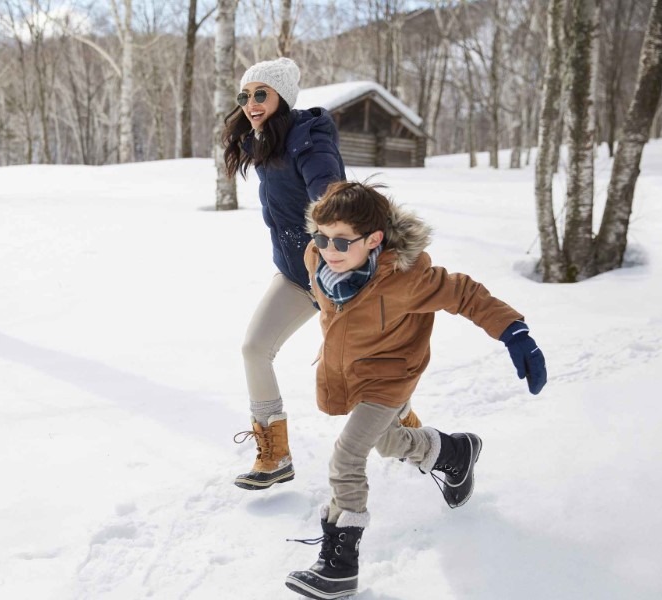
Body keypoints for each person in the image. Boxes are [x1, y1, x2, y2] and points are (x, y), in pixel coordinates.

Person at [282, 180, 548, 600]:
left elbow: (466, 294)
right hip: (354, 369)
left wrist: (514, 333)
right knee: (386, 441)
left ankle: (340, 565)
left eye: (340, 241)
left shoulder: (407, 278)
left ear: (374, 240)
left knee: (348, 454)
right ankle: (454, 453)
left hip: (392, 374)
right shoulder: (317, 257)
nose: (328, 249)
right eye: (321, 236)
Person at [222, 58, 421, 491]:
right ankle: (274, 453)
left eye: (261, 94)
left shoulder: (307, 140)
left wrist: (333, 208)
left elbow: (330, 189)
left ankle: (407, 422)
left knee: (363, 370)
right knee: (255, 348)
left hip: (341, 278)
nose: (251, 104)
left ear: (282, 97)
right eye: (246, 95)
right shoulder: (264, 141)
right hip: (296, 274)